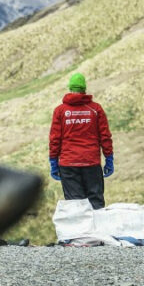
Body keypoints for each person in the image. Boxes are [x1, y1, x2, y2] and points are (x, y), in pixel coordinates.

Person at [48, 72, 114, 209]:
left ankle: (80, 231)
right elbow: (105, 136)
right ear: (84, 89)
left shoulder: (60, 111)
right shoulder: (95, 109)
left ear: (70, 89)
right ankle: (98, 230)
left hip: (68, 164)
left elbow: (55, 139)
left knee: (75, 205)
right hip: (91, 163)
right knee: (96, 202)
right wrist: (109, 158)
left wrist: (53, 162)